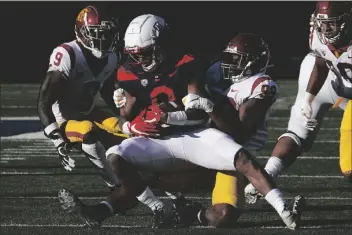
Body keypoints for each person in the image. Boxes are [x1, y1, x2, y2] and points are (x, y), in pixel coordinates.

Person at [89, 14, 302, 230]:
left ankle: (191, 213)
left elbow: (238, 133)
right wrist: (129, 111)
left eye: (236, 60)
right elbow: (176, 97)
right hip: (199, 141)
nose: (228, 65)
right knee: (132, 168)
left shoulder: (261, 85)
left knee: (223, 214)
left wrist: (208, 107)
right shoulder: (211, 70)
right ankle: (107, 208)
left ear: (253, 62)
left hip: (226, 146)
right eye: (228, 58)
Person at [245, 1, 352, 205]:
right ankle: (267, 176)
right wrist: (308, 99)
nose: (325, 29)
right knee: (298, 132)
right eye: (322, 23)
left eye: (332, 23)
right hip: (328, 77)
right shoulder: (320, 36)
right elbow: (321, 61)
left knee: (349, 169)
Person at [37, 5, 128, 188]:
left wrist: (122, 109)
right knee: (87, 131)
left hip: (89, 111)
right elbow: (43, 101)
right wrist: (56, 139)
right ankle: (113, 182)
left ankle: (146, 177)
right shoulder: (68, 54)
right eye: (97, 33)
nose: (103, 39)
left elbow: (107, 90)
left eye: (107, 33)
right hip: (64, 119)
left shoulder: (111, 57)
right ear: (83, 32)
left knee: (126, 129)